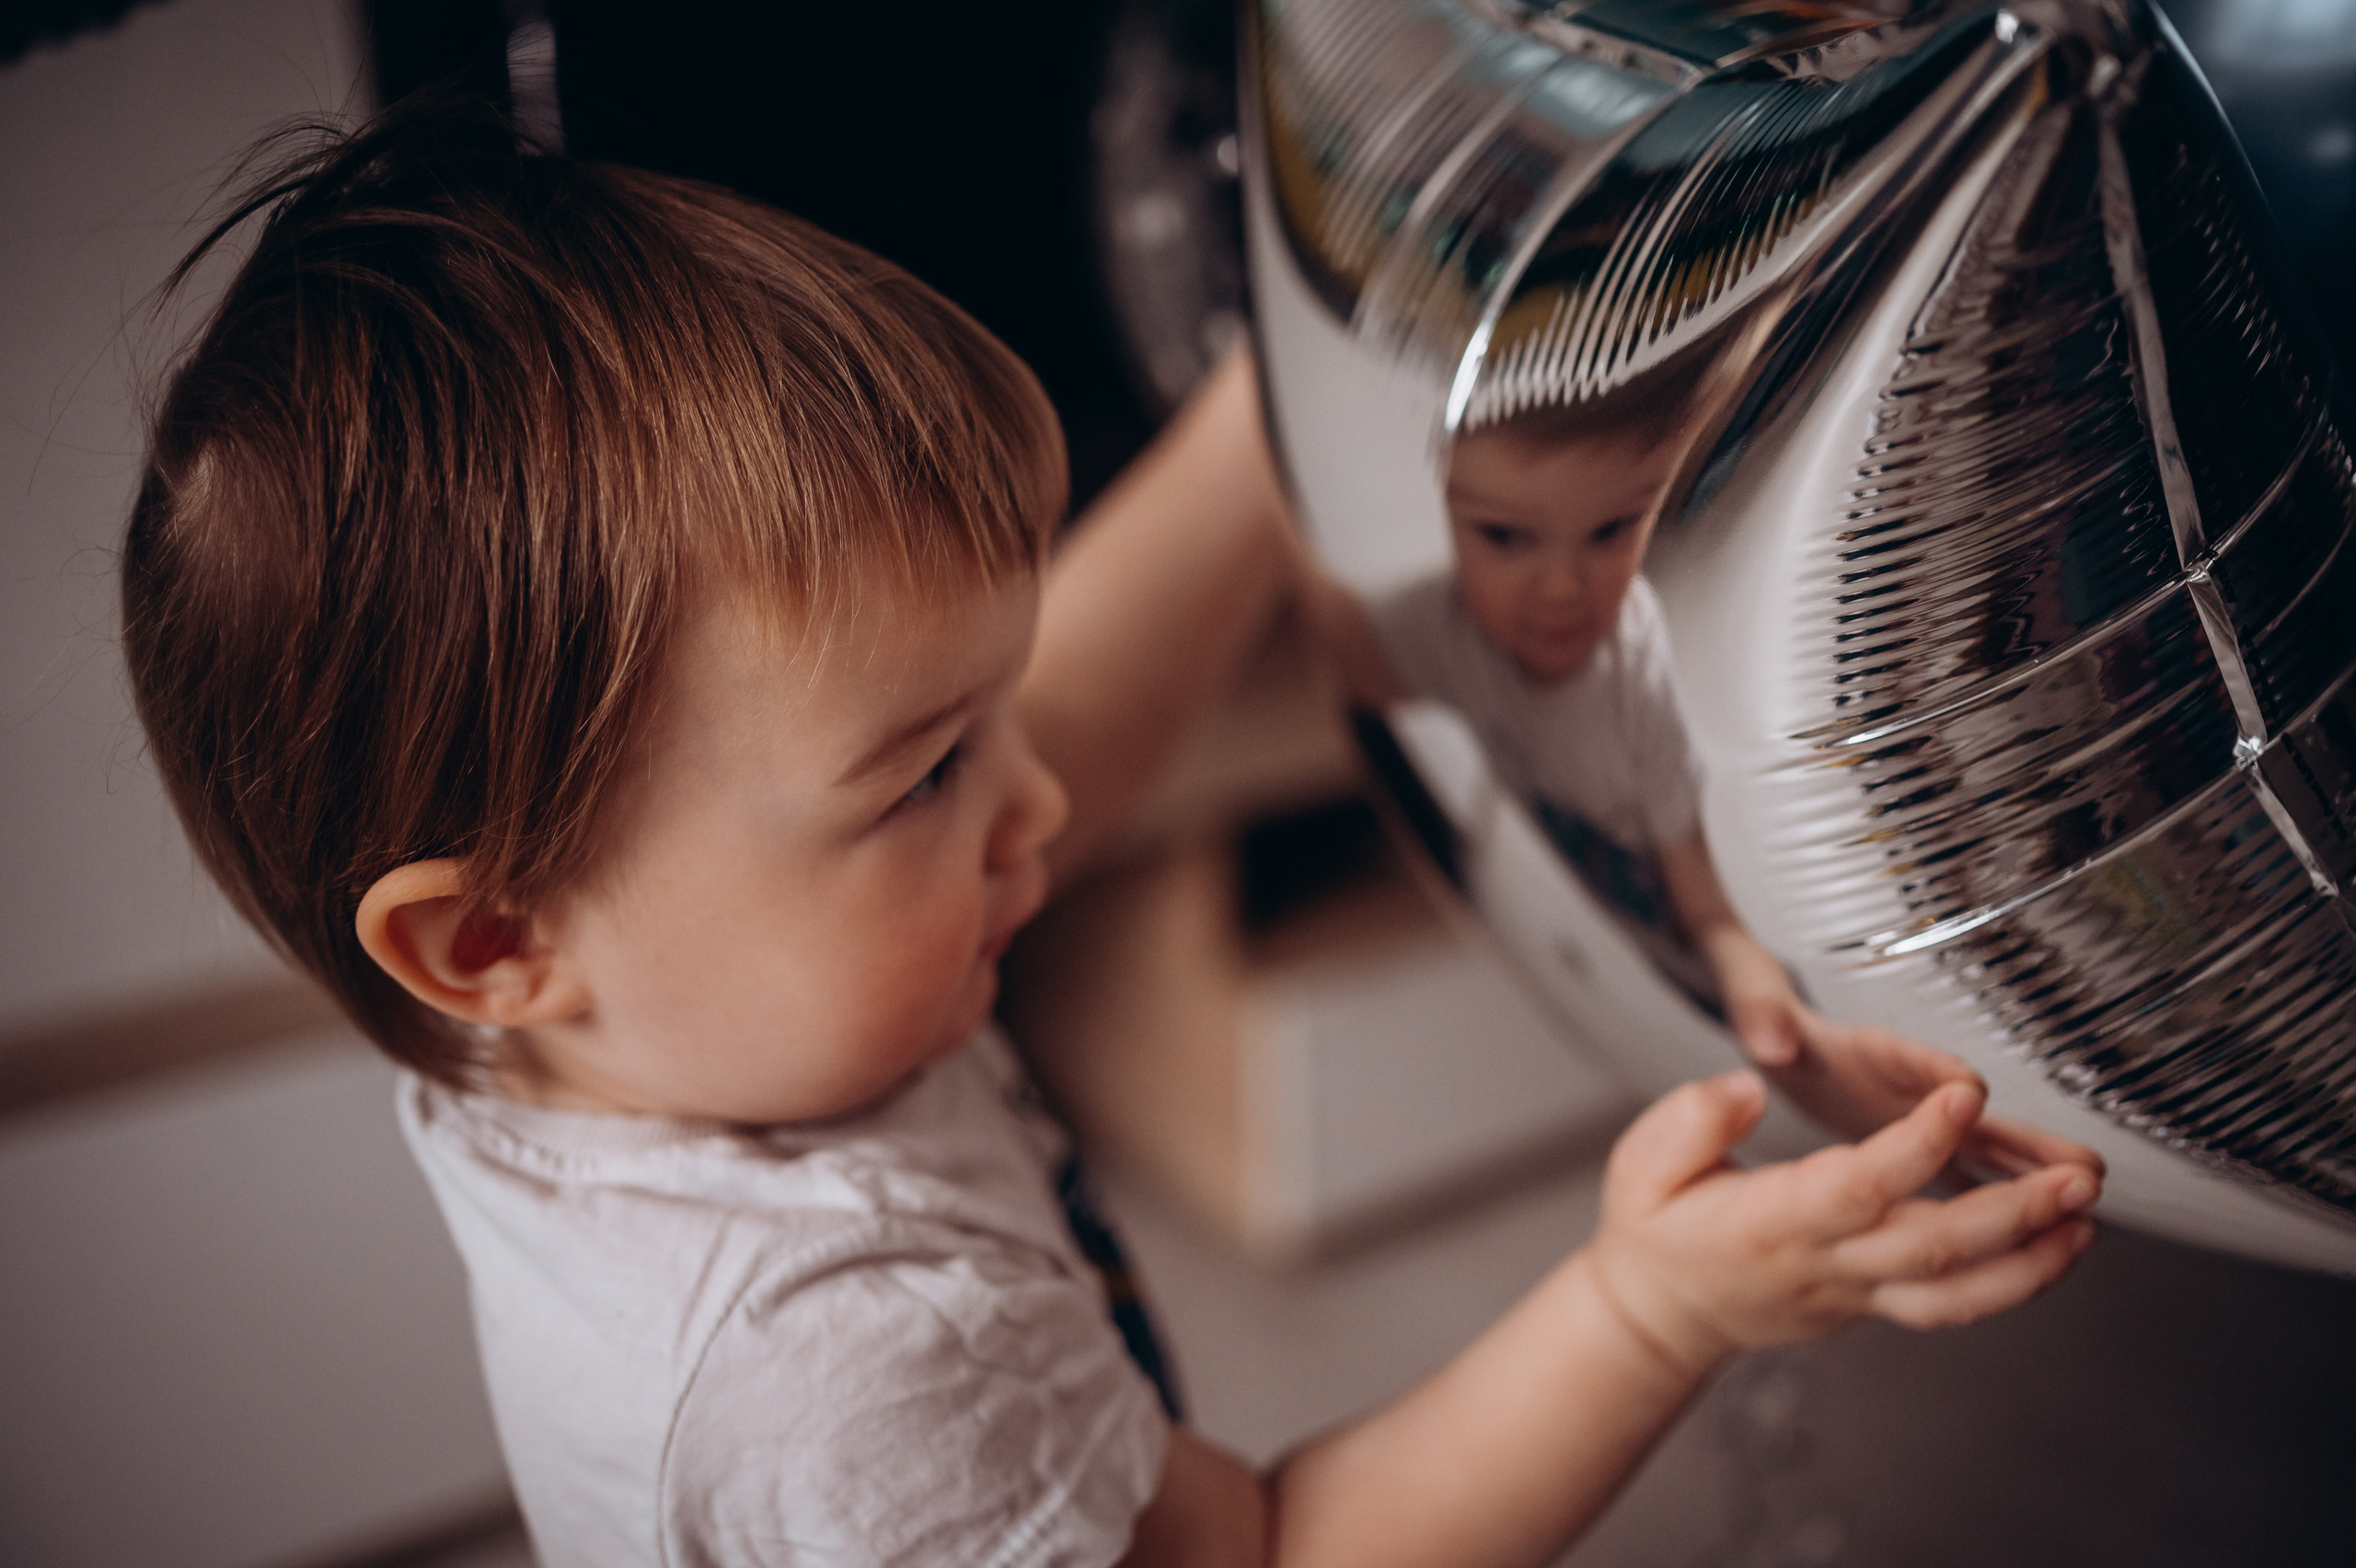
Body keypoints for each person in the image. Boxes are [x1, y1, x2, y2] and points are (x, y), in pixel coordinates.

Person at [121, 107, 2101, 1568]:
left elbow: (1058, 704)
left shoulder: (621, 1013)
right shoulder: (839, 1379)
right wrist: (1648, 1306)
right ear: (487, 946)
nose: (1038, 798)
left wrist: (1284, 398)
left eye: (979, 727)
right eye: (921, 779)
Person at [1323, 365, 2078, 1171]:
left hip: (1795, 936)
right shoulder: (1453, 628)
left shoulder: (1637, 678)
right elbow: (1341, 635)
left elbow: (1708, 908)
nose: (1559, 586)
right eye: (1505, 537)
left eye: (1612, 531)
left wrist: (1766, 1008)